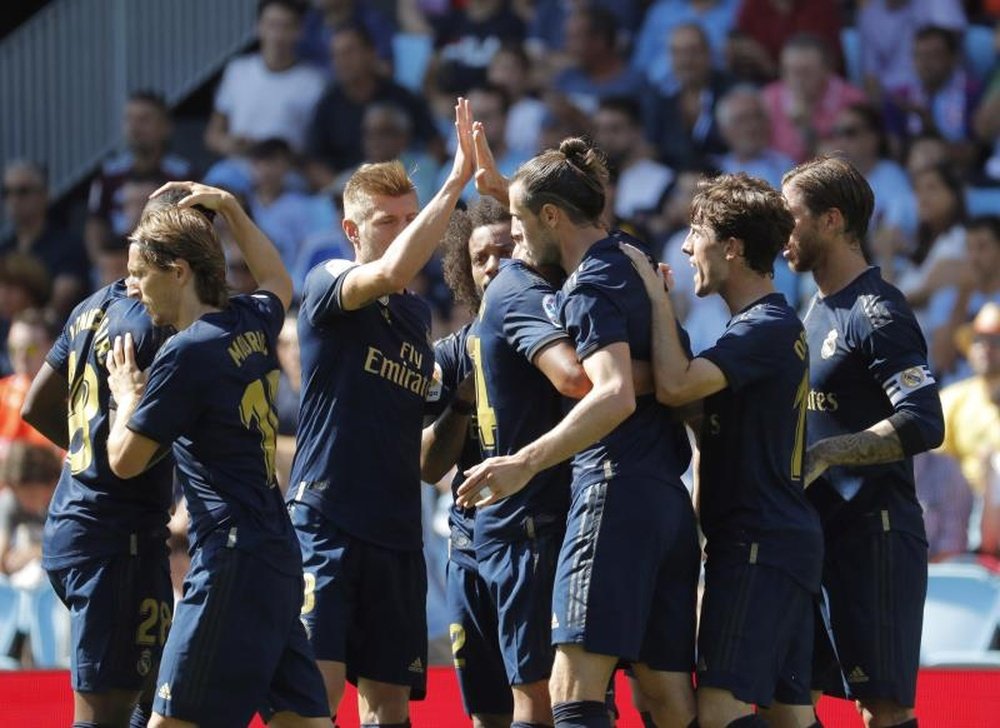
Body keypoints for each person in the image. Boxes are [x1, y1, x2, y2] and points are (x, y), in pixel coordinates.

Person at [457, 138, 698, 728]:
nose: (511, 241)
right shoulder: (633, 260)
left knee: (570, 693)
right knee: (668, 696)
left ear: (549, 216)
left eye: (516, 222)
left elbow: (607, 391)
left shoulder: (587, 285)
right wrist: (503, 188)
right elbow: (668, 379)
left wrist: (526, 462)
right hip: (668, 498)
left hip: (610, 491)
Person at [103, 182, 329, 727]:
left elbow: (125, 461)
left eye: (141, 273)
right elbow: (278, 279)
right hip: (275, 553)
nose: (134, 288)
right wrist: (229, 207)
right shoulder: (249, 318)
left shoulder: (187, 352)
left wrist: (128, 396)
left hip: (229, 558)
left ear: (178, 271)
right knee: (304, 723)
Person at [286, 99, 475, 723]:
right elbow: (393, 268)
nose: (399, 230)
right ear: (352, 229)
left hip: (397, 535)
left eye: (407, 219)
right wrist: (455, 180)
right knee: (314, 703)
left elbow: (419, 451)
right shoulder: (327, 283)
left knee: (389, 711)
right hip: (327, 523)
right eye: (386, 220)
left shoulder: (418, 319)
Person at [619, 174, 822, 728]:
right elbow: (698, 413)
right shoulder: (761, 329)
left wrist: (659, 303)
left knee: (718, 715)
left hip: (759, 544)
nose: (686, 248)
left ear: (731, 248)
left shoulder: (766, 327)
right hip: (777, 543)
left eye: (696, 233)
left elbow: (678, 387)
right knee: (790, 717)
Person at [20, 188, 196, 728]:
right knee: (107, 716)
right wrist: (120, 455)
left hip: (77, 525)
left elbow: (35, 405)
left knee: (153, 700)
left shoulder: (91, 306)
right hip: (114, 543)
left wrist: (89, 452)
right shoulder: (157, 326)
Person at [782, 156, 945, 728]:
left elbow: (925, 421)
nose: (783, 234)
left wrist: (828, 453)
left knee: (884, 711)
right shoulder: (814, 310)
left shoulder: (877, 312)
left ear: (831, 220)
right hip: (815, 533)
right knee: (784, 696)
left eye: (791, 217)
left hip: (874, 533)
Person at [85, 90, 194, 259]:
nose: (135, 128)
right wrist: (102, 262)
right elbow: (95, 225)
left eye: (144, 120)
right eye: (129, 119)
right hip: (117, 260)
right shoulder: (108, 175)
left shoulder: (184, 176)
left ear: (165, 127)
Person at [1, 160, 89, 317]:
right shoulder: (5, 248)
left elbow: (59, 302)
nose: (14, 200)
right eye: (7, 192)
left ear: (45, 194)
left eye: (23, 191)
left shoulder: (68, 245)